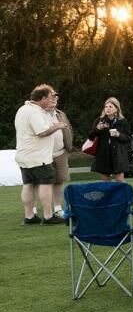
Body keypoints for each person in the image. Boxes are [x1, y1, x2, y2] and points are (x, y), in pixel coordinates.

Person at [15, 84, 69, 225]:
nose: (53, 99)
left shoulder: (23, 109)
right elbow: (42, 132)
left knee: (28, 185)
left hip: (24, 156)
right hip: (39, 158)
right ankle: (48, 216)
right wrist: (57, 126)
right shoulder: (35, 112)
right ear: (43, 98)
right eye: (50, 97)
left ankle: (29, 216)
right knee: (46, 184)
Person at [88, 97, 131, 182]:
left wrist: (118, 134)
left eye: (110, 107)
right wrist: (97, 129)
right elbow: (90, 137)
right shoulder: (100, 120)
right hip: (103, 154)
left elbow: (128, 138)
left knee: (120, 180)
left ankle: (122, 191)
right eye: (106, 107)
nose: (107, 109)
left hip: (118, 155)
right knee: (105, 182)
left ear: (116, 109)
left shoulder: (122, 121)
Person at [48, 92, 73, 219]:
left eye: (56, 96)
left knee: (59, 181)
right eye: (51, 96)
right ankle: (38, 211)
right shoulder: (38, 114)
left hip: (60, 152)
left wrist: (68, 145)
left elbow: (69, 129)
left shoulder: (60, 114)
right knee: (41, 183)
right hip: (43, 154)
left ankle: (57, 209)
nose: (54, 99)